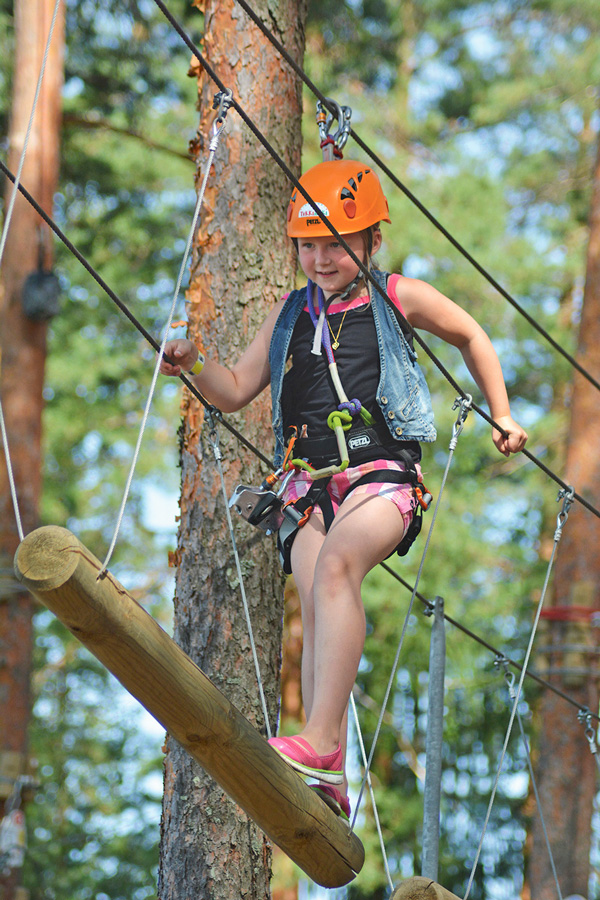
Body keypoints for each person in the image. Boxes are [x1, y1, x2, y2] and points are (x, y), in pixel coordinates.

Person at [159, 159, 528, 820]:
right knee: (318, 600)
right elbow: (235, 389)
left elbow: (470, 334)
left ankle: (323, 745)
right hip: (308, 488)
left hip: (382, 477)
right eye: (308, 245)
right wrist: (194, 364)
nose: (321, 259)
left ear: (372, 240)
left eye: (336, 243)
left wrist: (501, 413)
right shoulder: (290, 313)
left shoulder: (396, 295)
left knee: (336, 569)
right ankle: (325, 773)